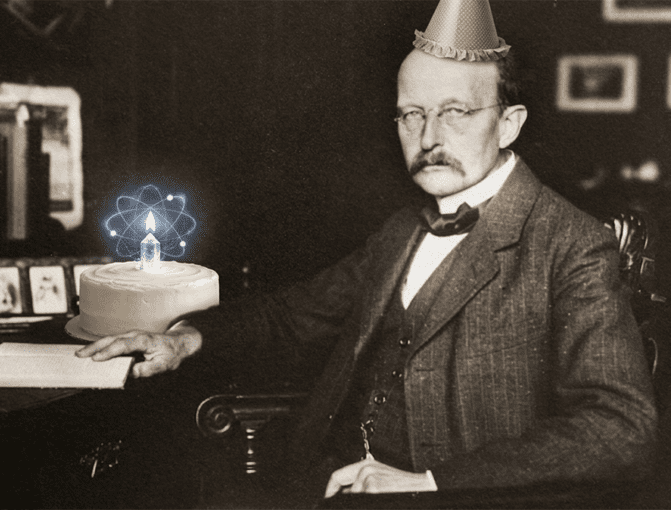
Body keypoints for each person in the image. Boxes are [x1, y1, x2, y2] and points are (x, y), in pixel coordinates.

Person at [78, 0, 657, 503]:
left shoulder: (572, 245)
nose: (429, 138)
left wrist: (428, 481)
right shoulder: (402, 230)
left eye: (455, 112)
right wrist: (182, 339)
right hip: (328, 483)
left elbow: (619, 427)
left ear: (509, 124)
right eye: (412, 114)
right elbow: (292, 317)